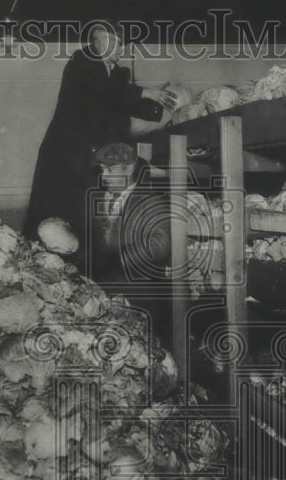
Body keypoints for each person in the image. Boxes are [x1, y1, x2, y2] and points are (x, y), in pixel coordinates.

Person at [22, 21, 177, 253]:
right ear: (101, 40)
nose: (121, 49)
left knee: (80, 220)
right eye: (118, 43)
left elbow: (122, 101)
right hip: (68, 155)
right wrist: (146, 92)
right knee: (56, 217)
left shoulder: (112, 74)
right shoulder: (83, 62)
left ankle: (86, 265)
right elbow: (106, 91)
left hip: (88, 156)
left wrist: (164, 106)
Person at [88, 142, 174, 344]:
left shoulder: (150, 200)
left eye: (110, 169)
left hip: (139, 295)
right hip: (104, 292)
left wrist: (118, 257)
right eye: (102, 170)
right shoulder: (100, 199)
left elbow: (160, 244)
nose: (104, 176)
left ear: (129, 168)